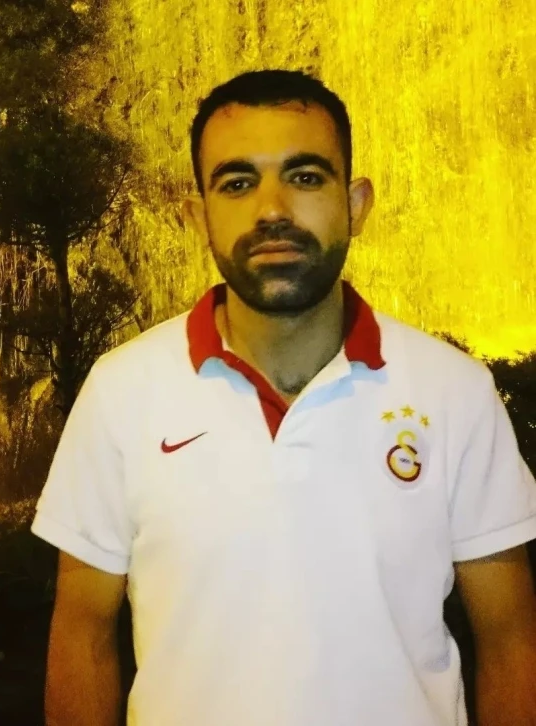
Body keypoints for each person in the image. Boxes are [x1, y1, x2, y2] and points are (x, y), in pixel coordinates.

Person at [31, 69, 536, 726]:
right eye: (237, 183)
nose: (271, 210)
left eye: (304, 176)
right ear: (198, 215)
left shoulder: (454, 392)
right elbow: (81, 631)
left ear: (355, 204)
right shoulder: (121, 391)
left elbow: (511, 638)